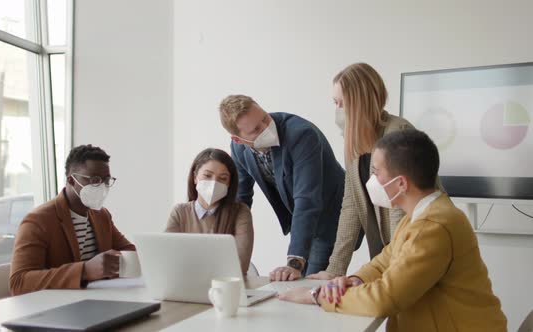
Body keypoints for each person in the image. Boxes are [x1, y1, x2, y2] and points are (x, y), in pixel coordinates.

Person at [278, 130, 507, 332]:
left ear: (401, 184)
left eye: (376, 172)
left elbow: (386, 298)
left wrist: (318, 296)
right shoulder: (421, 215)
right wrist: (353, 280)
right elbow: (384, 261)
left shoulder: (432, 226)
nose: (372, 180)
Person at [219, 95, 345, 281]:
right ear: (239, 140)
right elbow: (241, 198)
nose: (266, 127)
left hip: (330, 216)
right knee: (295, 284)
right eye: (255, 129)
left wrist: (294, 262)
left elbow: (307, 199)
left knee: (311, 283)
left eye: (264, 118)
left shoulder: (301, 135)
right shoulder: (238, 149)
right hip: (301, 219)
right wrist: (225, 244)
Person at [308, 63, 415, 280]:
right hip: (389, 253)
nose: (337, 110)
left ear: (360, 103)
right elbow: (351, 206)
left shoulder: (398, 133)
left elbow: (398, 206)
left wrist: (395, 267)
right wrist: (335, 269)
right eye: (334, 103)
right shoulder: (355, 141)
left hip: (409, 249)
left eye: (342, 103)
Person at [10, 145, 135, 295]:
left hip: (96, 302)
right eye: (94, 179)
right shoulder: (37, 221)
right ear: (71, 180)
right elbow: (18, 282)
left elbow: (128, 252)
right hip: (56, 309)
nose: (101, 186)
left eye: (106, 180)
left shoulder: (101, 216)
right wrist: (84, 271)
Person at [166, 148, 253, 275]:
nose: (214, 183)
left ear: (229, 184)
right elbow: (166, 258)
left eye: (223, 178)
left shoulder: (240, 212)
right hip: (184, 287)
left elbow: (239, 264)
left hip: (225, 289)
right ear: (195, 177)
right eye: (207, 176)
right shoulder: (179, 212)